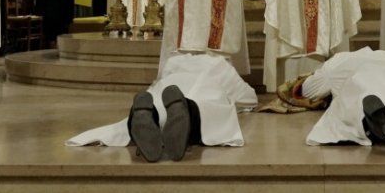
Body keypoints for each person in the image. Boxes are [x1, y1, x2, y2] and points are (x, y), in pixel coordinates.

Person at [66, 53, 257, 162]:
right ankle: (188, 113)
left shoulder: (174, 60)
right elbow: (248, 99)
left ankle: (143, 115)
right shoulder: (221, 64)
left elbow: (155, 83)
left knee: (157, 101)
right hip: (207, 84)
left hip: (170, 82)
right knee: (210, 111)